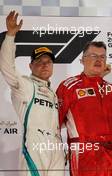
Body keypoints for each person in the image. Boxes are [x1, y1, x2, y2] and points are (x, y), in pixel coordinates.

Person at [0, 11, 65, 176]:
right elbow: (7, 67)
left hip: (56, 147)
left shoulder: (53, 93)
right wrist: (10, 36)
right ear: (30, 66)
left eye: (48, 62)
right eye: (39, 62)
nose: (44, 65)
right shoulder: (24, 85)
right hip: (35, 146)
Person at [56, 41, 112, 176]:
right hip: (85, 157)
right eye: (93, 56)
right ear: (82, 60)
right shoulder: (69, 87)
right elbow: (54, 123)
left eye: (102, 57)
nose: (98, 60)